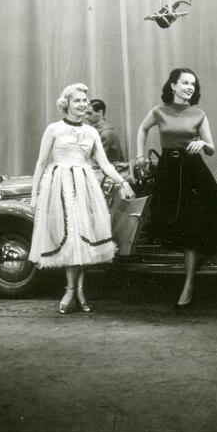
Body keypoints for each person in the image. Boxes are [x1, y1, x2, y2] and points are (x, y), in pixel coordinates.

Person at [28, 83, 135, 314]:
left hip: (85, 186)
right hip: (60, 186)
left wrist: (123, 182)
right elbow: (41, 163)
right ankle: (71, 290)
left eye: (85, 100)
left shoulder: (91, 132)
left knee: (83, 237)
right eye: (77, 100)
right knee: (70, 237)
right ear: (66, 103)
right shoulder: (54, 129)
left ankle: (79, 289)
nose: (82, 104)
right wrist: (35, 195)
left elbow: (105, 164)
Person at [136, 68, 217, 309]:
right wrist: (140, 156)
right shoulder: (159, 111)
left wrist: (202, 143)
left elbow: (211, 148)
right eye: (185, 83)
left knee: (192, 228)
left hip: (193, 173)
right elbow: (142, 129)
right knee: (171, 224)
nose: (190, 87)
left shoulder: (199, 114)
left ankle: (189, 284)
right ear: (173, 86)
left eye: (193, 84)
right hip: (168, 172)